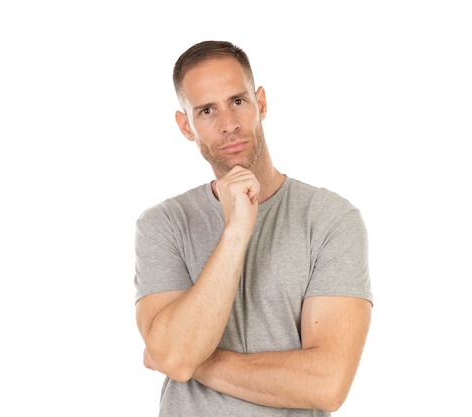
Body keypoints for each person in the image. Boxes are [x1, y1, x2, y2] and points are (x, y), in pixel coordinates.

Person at [134, 40, 373, 416]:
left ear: (260, 103)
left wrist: (192, 361)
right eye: (207, 110)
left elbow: (327, 385)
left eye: (238, 102)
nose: (228, 124)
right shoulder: (164, 224)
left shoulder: (330, 218)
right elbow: (175, 358)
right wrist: (235, 233)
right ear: (186, 126)